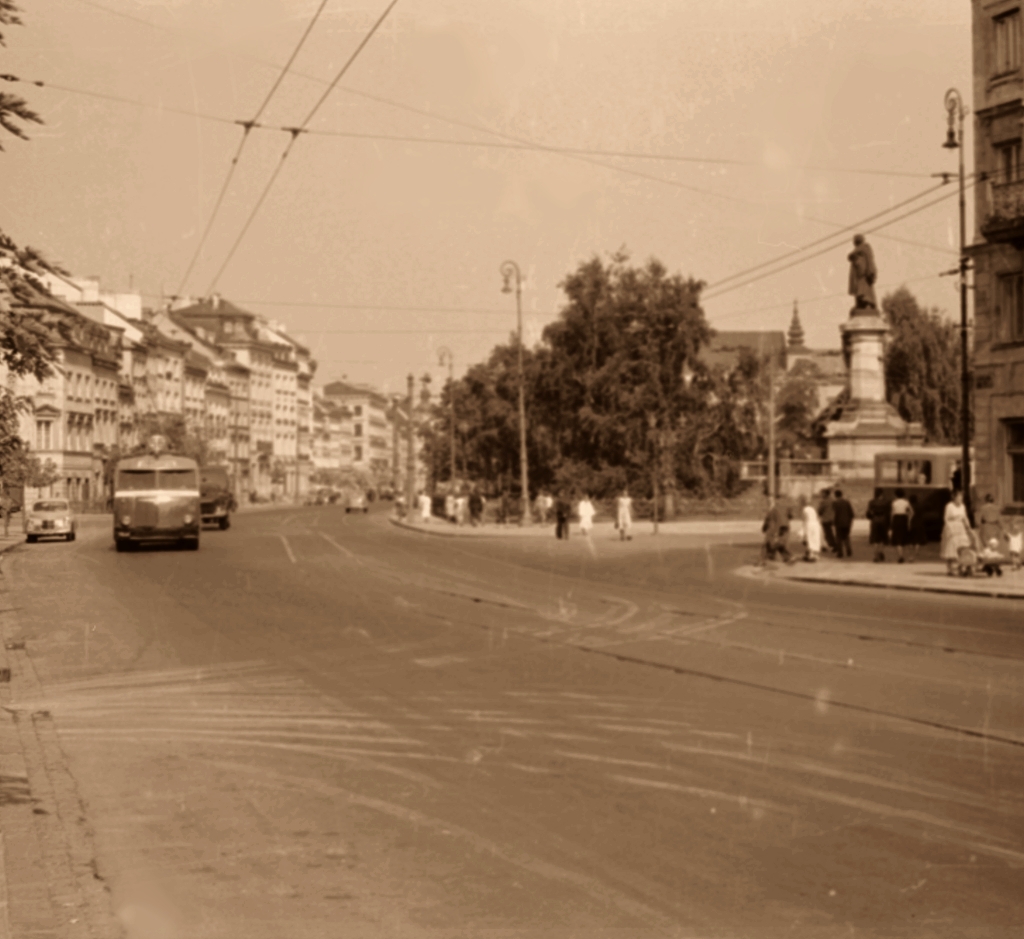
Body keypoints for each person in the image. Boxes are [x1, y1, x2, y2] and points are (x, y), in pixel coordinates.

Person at [941, 490, 973, 576]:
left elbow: (965, 517)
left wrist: (968, 527)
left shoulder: (962, 506)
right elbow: (946, 519)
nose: (960, 499)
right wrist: (949, 529)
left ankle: (962, 565)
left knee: (964, 546)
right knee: (952, 547)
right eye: (959, 497)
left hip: (960, 527)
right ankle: (950, 569)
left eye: (961, 497)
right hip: (951, 527)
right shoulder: (949, 506)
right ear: (954, 497)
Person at [848, 233, 878, 311]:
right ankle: (860, 304)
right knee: (858, 290)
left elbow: (869, 259)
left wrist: (871, 271)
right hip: (857, 274)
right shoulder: (856, 250)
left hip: (865, 274)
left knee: (865, 290)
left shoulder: (865, 247)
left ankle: (868, 304)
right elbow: (851, 256)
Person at [889, 487, 914, 564]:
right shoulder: (906, 502)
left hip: (896, 519)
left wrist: (891, 523)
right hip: (904, 519)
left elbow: (892, 514)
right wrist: (909, 519)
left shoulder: (894, 503)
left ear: (896, 495)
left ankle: (900, 556)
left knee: (898, 539)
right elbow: (912, 512)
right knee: (905, 538)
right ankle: (909, 556)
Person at [866, 490, 890, 563]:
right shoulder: (887, 502)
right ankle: (880, 551)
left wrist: (872, 517)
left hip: (875, 520)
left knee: (875, 539)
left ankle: (875, 556)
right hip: (884, 520)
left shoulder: (871, 502)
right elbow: (889, 512)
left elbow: (868, 513)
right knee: (884, 538)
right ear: (882, 494)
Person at [799, 494, 823, 562]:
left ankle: (811, 555)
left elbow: (805, 519)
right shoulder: (812, 509)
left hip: (809, 524)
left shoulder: (804, 509)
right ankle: (815, 555)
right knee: (815, 539)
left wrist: (802, 531)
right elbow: (816, 517)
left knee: (810, 539)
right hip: (816, 524)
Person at [832, 489, 855, 558]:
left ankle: (840, 553)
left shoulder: (835, 503)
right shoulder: (847, 502)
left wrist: (834, 522)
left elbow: (834, 514)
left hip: (838, 523)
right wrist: (849, 521)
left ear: (835, 495)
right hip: (847, 523)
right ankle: (849, 551)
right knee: (846, 537)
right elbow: (852, 514)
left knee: (839, 538)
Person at [817, 489, 838, 556]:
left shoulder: (824, 501)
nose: (821, 495)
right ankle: (832, 545)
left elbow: (819, 511)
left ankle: (832, 546)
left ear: (826, 494)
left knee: (827, 534)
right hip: (833, 519)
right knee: (831, 533)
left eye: (822, 493)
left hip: (826, 519)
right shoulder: (833, 500)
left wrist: (818, 514)